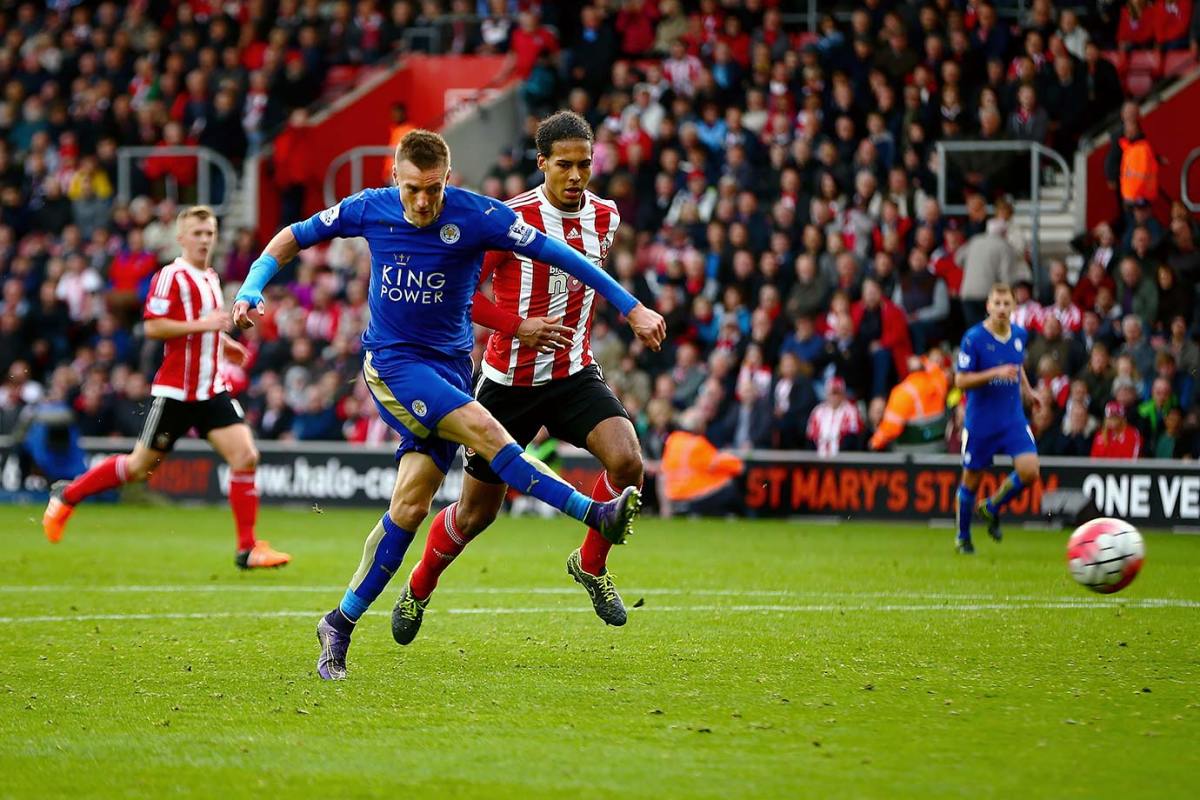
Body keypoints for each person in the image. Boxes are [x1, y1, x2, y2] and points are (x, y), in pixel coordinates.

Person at [231, 130, 666, 681]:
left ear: (447, 179)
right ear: (396, 179)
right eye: (412, 189)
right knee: (486, 430)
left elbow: (560, 254)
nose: (421, 202)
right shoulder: (368, 208)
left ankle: (338, 623)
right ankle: (590, 512)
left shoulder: (480, 216)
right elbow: (291, 236)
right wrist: (251, 285)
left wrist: (630, 308)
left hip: (451, 368)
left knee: (411, 507)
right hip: (393, 365)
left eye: (432, 190)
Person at [392, 111, 645, 642]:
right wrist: (519, 326)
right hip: (508, 383)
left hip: (575, 373)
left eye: (585, 165)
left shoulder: (606, 217)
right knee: (475, 516)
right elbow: (464, 301)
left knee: (628, 462)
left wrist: (631, 310)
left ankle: (591, 565)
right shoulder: (508, 220)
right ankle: (417, 587)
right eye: (565, 166)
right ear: (542, 164)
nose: (576, 176)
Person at [42, 206, 290, 570]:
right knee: (139, 467)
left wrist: (224, 343)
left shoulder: (210, 277)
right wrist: (203, 325)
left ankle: (247, 548)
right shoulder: (170, 277)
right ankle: (68, 494)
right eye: (198, 233)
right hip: (176, 393)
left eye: (210, 232)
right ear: (181, 237)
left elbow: (206, 327)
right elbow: (153, 327)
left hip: (210, 389)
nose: (205, 239)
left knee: (246, 456)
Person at [952, 283, 1042, 554]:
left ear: (1014, 307)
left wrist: (1028, 391)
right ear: (988, 306)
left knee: (1030, 471)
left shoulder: (1019, 334)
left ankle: (991, 507)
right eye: (997, 303)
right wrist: (994, 373)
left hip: (1012, 418)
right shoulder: (974, 338)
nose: (1002, 309)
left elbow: (1016, 365)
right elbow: (960, 380)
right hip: (981, 423)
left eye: (1007, 304)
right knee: (971, 480)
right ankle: (963, 537)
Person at [868, 350, 950, 453]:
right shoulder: (939, 381)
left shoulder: (902, 393)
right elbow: (935, 369)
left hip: (912, 453)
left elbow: (891, 429)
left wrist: (874, 442)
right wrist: (922, 360)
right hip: (939, 447)